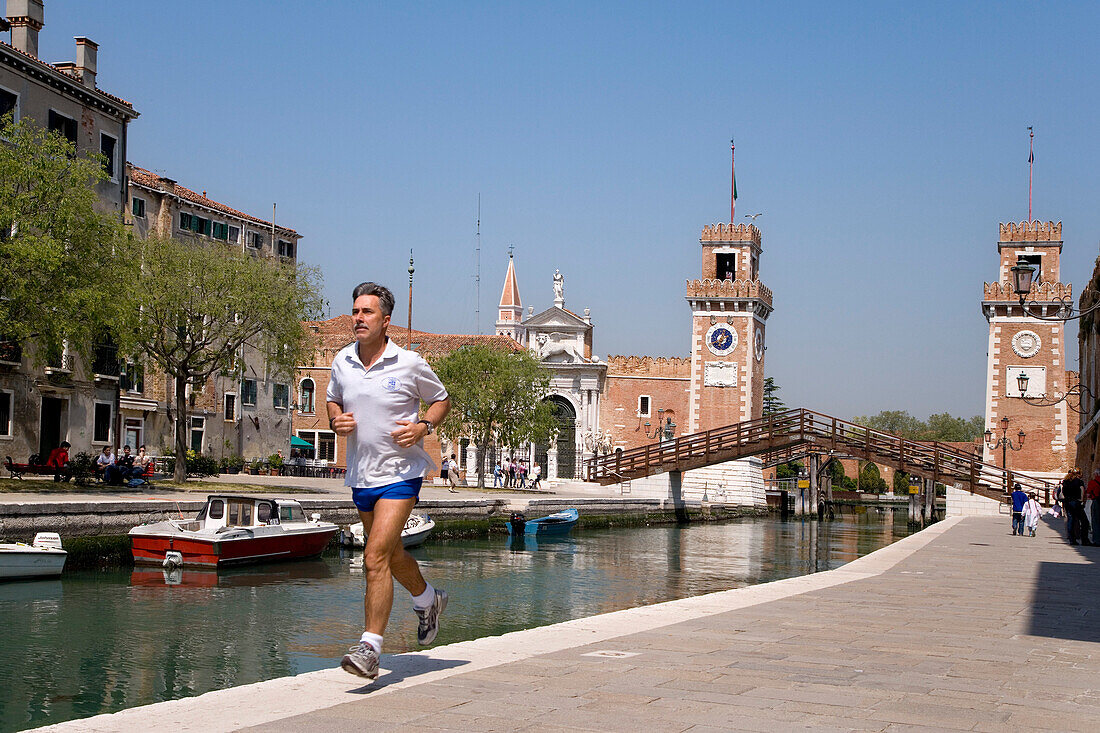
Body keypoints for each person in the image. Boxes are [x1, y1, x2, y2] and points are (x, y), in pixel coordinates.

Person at [327, 282, 451, 680]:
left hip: (402, 474)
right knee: (392, 554)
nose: (358, 318)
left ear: (385, 320)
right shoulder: (342, 361)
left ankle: (370, 648)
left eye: (367, 312)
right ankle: (428, 598)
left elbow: (442, 398)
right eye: (356, 311)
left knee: (374, 556)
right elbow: (333, 397)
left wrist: (423, 426)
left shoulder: (409, 362)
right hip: (361, 474)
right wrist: (335, 419)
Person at [1061, 469, 1089, 546]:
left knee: (1071, 520)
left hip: (1067, 502)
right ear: (1078, 474)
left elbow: (1063, 492)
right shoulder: (1079, 481)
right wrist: (1082, 501)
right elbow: (1082, 491)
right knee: (1084, 521)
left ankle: (1072, 540)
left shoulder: (1066, 481)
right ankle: (1084, 540)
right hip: (1076, 502)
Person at [1087, 468, 1100, 545]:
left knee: (1095, 521)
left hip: (1096, 502)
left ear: (1096, 474)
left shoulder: (1092, 482)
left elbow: (1088, 495)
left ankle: (1097, 540)